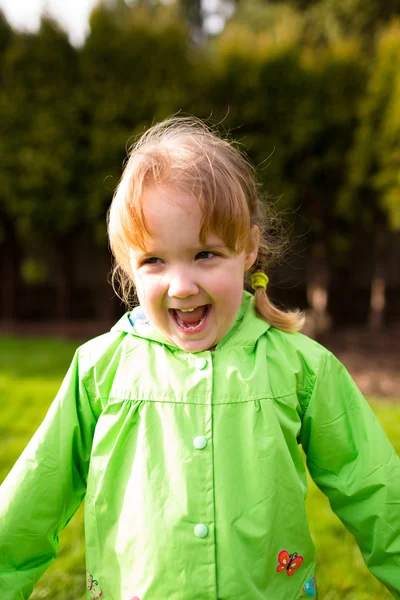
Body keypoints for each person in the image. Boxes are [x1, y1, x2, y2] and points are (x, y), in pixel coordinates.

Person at [1, 117, 400, 600]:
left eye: (205, 254)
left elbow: (378, 492)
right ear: (129, 266)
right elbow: (30, 502)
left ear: (249, 249)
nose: (182, 285)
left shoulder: (303, 369)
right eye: (154, 261)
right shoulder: (99, 371)